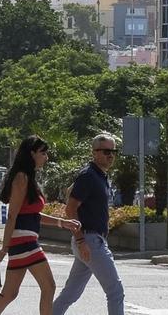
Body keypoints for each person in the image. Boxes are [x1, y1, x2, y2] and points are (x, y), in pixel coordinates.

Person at [0, 136, 80, 315]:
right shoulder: (22, 178)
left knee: (9, 294)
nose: (46, 157)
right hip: (24, 242)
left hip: (23, 241)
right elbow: (12, 215)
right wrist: (4, 249)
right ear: (32, 154)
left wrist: (63, 223)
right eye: (43, 153)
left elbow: (32, 215)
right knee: (49, 286)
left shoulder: (29, 178)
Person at [53, 133, 125, 315]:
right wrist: (80, 240)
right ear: (94, 153)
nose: (111, 155)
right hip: (90, 241)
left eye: (113, 151)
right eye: (106, 151)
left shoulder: (100, 176)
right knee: (115, 291)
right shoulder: (89, 176)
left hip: (92, 240)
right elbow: (70, 210)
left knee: (71, 293)